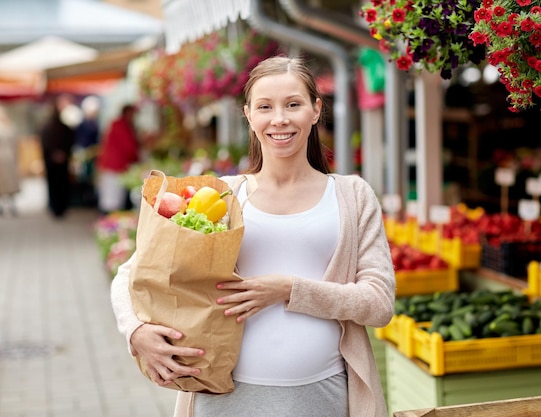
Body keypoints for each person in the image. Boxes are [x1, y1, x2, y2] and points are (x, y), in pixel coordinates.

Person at [110, 56, 396, 417]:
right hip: (226, 398)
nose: (279, 118)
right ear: (248, 115)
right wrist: (135, 332)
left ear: (315, 110)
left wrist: (289, 289)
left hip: (321, 395)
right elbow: (130, 275)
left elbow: (379, 302)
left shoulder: (352, 196)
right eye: (265, 107)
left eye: (293, 104)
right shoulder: (222, 197)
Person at [96, 103, 140, 214]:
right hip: (115, 165)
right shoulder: (120, 125)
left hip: (116, 165)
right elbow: (129, 147)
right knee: (112, 198)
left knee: (112, 196)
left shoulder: (122, 125)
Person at [39, 95, 75, 218]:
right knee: (60, 184)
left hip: (53, 161)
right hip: (57, 160)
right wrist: (61, 153)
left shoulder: (46, 127)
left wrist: (56, 154)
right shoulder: (61, 127)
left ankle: (56, 207)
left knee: (54, 185)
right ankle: (59, 207)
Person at [74, 96, 101, 206]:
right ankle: (85, 198)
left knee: (91, 177)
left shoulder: (93, 123)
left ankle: (89, 197)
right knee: (84, 176)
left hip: (92, 153)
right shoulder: (84, 124)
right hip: (85, 153)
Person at [0, 105, 20, 216]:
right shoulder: (10, 127)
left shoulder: (11, 126)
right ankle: (6, 205)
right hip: (6, 158)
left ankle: (10, 204)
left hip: (9, 158)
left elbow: (15, 144)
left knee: (8, 182)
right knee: (4, 183)